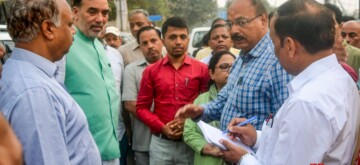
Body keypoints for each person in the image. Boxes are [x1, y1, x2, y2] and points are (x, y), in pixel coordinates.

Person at [219, 0, 360, 164]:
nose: (273, 51)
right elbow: (298, 144)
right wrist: (256, 137)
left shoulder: (307, 103)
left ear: (290, 46)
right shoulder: (341, 79)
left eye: (273, 43)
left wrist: (243, 159)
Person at [0, 0, 102, 164]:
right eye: (69, 24)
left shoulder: (31, 75)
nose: (74, 31)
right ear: (48, 29)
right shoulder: (35, 92)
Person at [175, 0, 292, 131]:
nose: (234, 30)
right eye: (230, 24)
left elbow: (285, 125)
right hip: (230, 147)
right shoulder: (241, 58)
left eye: (242, 22)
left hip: (253, 151)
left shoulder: (277, 61)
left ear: (263, 21)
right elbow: (224, 101)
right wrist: (200, 110)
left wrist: (255, 143)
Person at [136, 17, 210, 165]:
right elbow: (141, 108)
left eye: (182, 37)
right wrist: (162, 128)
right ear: (163, 41)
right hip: (160, 144)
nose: (178, 41)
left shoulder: (201, 69)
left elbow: (206, 104)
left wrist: (188, 124)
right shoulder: (151, 71)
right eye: (173, 37)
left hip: (190, 142)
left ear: (188, 40)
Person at [60, 0, 121, 164]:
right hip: (79, 156)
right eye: (92, 12)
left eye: (105, 13)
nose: (100, 19)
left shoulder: (99, 45)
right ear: (75, 12)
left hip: (110, 151)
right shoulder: (64, 46)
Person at [183, 51, 236, 165]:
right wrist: (207, 148)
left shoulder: (244, 98)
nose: (230, 71)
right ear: (211, 73)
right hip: (208, 160)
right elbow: (189, 132)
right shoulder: (201, 101)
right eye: (224, 67)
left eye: (234, 67)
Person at [122, 26, 163, 165]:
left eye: (153, 41)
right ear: (140, 47)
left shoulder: (174, 67)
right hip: (144, 142)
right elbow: (130, 104)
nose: (150, 46)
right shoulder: (131, 70)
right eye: (144, 43)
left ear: (161, 42)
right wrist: (161, 125)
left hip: (172, 141)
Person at [324, 3, 359, 82]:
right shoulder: (304, 55)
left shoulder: (348, 70)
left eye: (352, 35)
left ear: (339, 27)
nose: (347, 39)